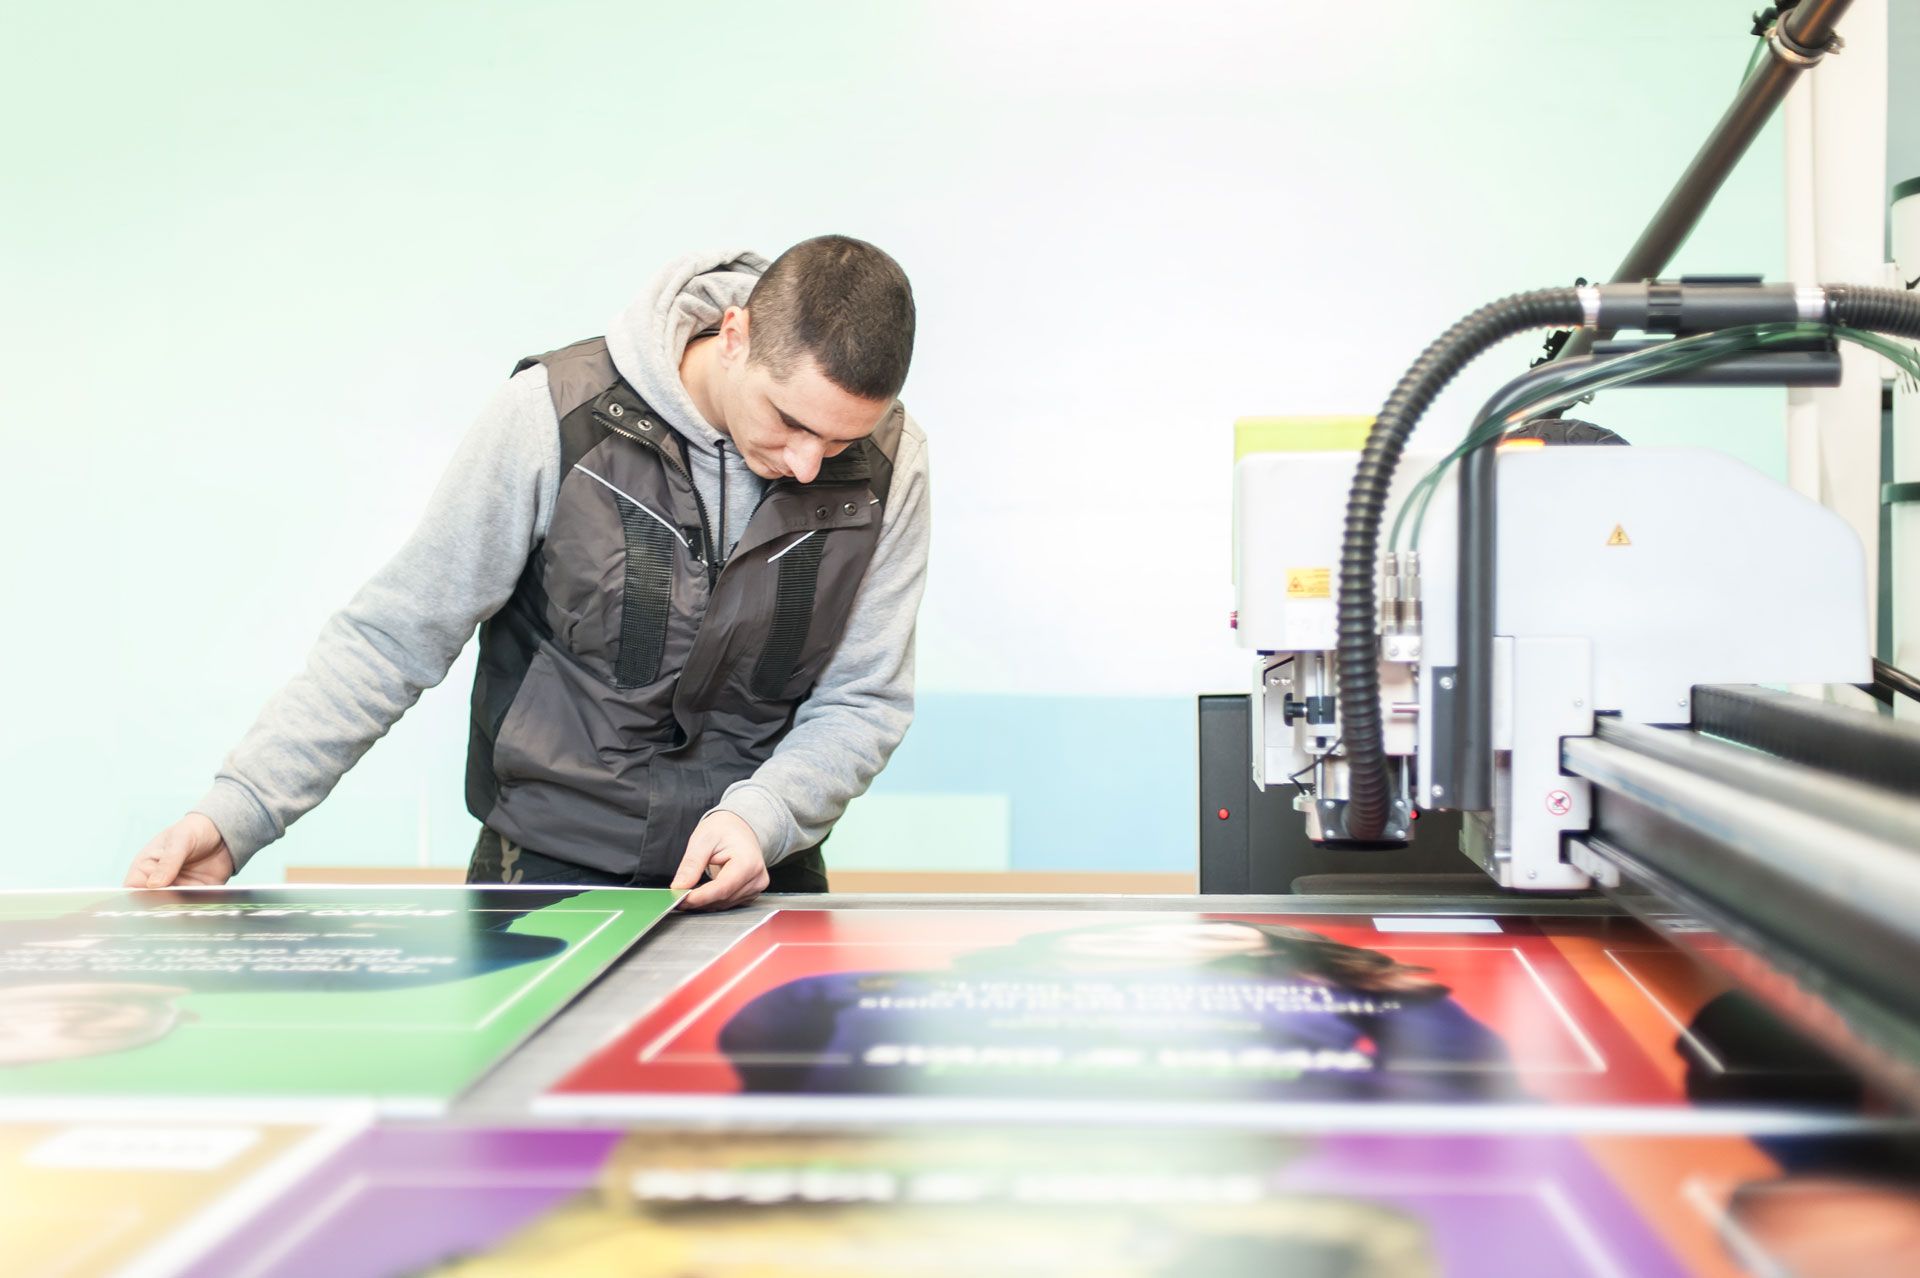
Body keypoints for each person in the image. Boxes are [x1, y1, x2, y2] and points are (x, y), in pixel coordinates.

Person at [123, 238, 929, 910]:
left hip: (761, 873)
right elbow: (394, 640)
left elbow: (864, 696)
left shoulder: (894, 463)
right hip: (544, 877)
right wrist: (237, 814)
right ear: (734, 334)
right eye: (789, 422)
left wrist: (765, 817)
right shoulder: (552, 415)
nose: (806, 462)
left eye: (839, 442)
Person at [716, 919, 1515, 1102]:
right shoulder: (904, 994)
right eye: (1128, 932)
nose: (1156, 937)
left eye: (1201, 934)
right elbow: (764, 1031)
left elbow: (1464, 1073)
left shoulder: (1326, 996)